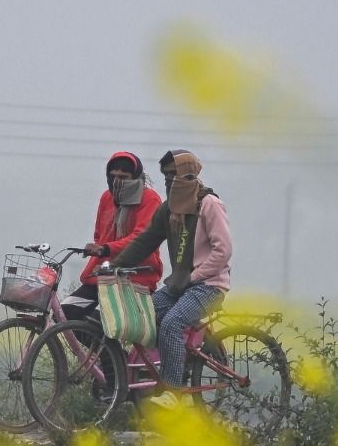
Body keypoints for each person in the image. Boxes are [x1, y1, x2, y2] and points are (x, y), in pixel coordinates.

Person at [110, 149, 232, 409]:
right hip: (180, 285)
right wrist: (114, 265)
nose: (169, 181)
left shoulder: (209, 204)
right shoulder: (168, 209)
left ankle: (173, 392)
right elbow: (146, 241)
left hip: (209, 286)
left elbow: (223, 251)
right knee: (144, 315)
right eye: (165, 175)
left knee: (172, 323)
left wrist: (194, 276)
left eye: (174, 175)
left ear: (189, 176)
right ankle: (173, 364)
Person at [60, 152, 163, 321]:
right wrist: (98, 248)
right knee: (65, 313)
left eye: (123, 177)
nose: (116, 182)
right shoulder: (107, 197)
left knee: (103, 320)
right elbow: (99, 234)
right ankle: (93, 339)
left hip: (135, 276)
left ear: (136, 176)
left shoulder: (149, 199)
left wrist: (105, 249)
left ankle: (101, 338)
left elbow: (141, 238)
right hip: (103, 274)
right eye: (112, 176)